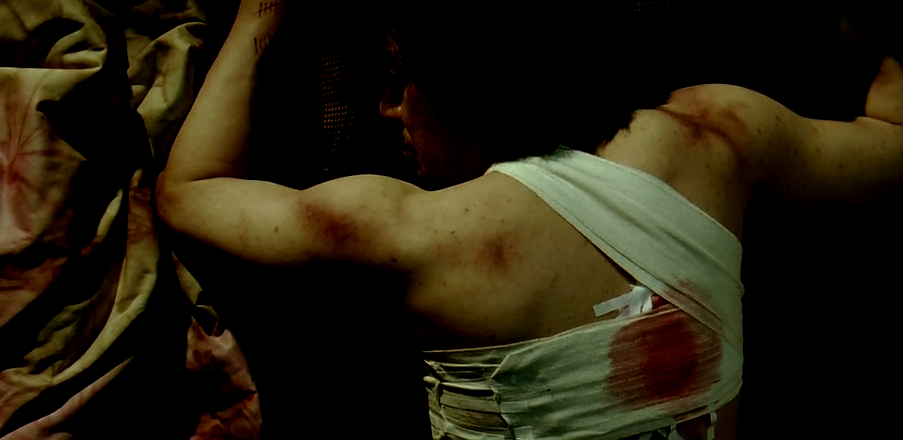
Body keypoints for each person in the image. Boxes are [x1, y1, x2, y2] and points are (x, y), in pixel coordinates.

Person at [156, 1, 902, 438]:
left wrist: (259, 18)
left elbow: (189, 191)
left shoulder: (411, 234)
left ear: (470, 88)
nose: (385, 108)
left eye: (398, 77)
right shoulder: (715, 138)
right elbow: (892, 138)